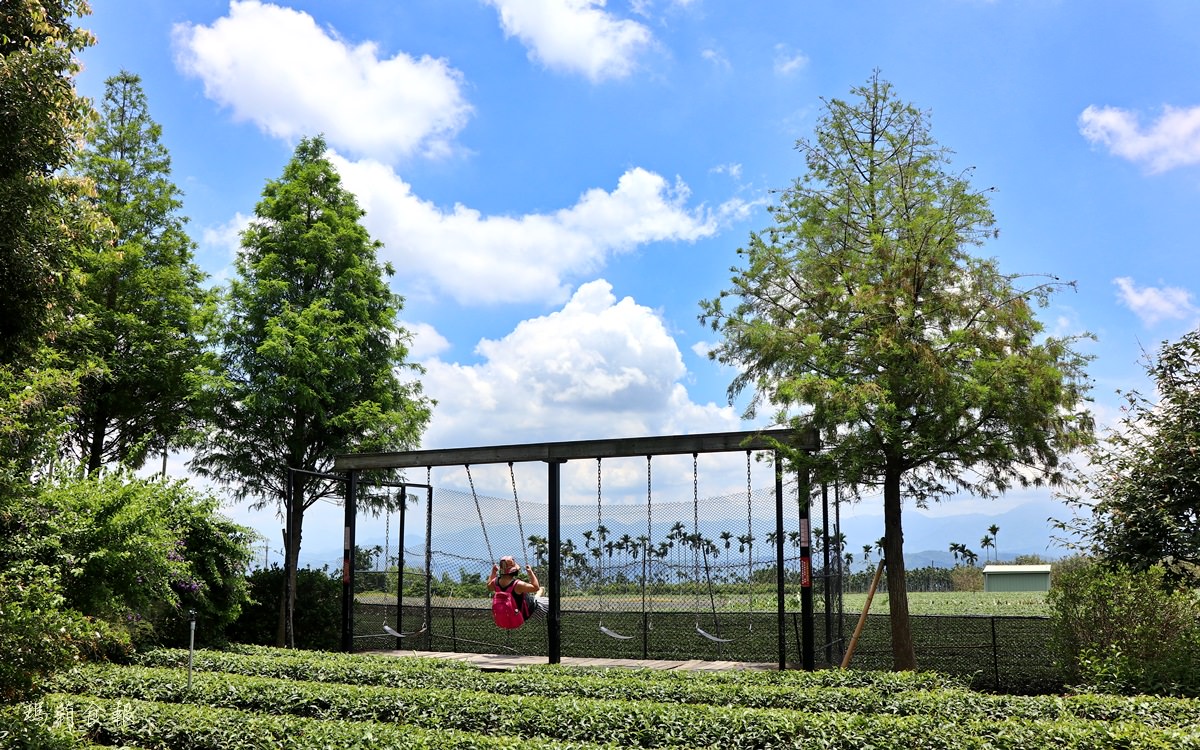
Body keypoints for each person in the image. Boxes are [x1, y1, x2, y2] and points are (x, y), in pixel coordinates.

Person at [488, 555, 548, 625]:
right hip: (527, 611)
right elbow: (535, 587)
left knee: (538, 593)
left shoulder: (495, 582)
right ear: (513, 571)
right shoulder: (517, 584)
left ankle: (540, 592)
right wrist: (530, 573)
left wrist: (493, 572)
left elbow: (489, 586)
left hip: (509, 614)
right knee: (551, 603)